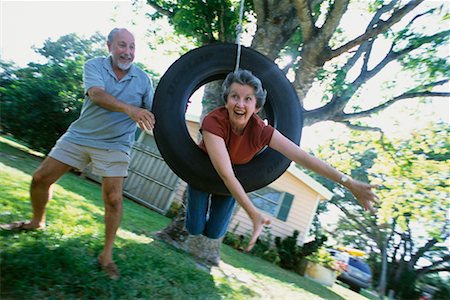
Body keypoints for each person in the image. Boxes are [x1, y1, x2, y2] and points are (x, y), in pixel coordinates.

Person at [0, 28, 155, 280]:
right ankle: (37, 221)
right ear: (109, 46)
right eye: (122, 45)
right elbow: (96, 95)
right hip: (81, 136)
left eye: (132, 46)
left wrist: (172, 105)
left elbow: (153, 110)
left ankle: (106, 255)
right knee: (40, 179)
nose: (127, 52)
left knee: (113, 198)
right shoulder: (94, 66)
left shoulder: (144, 80)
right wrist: (130, 110)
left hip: (116, 143)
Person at [186, 69, 378, 252]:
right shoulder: (213, 121)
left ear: (257, 107)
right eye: (234, 96)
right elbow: (225, 174)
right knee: (194, 228)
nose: (240, 104)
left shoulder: (261, 130)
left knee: (214, 232)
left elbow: (302, 157)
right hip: (205, 173)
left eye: (248, 99)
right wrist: (253, 213)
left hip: (234, 180)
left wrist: (348, 182)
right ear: (226, 100)